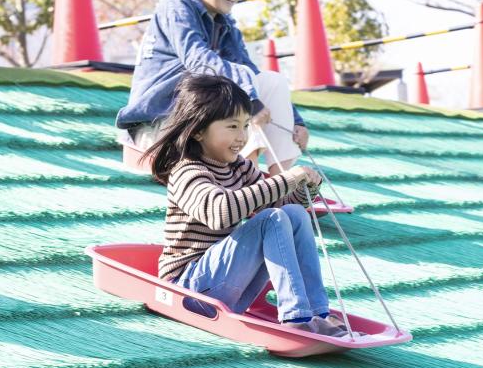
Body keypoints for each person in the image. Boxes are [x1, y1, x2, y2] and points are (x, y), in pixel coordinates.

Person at [143, 72, 347, 337]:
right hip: (188, 288)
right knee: (272, 219)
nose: (242, 137)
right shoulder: (187, 172)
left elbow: (278, 202)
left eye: (245, 126)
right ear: (198, 130)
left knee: (294, 213)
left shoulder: (240, 167)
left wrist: (304, 189)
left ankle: (317, 313)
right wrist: (285, 179)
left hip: (229, 289)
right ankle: (296, 317)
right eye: (232, 127)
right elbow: (220, 213)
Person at [117, 0, 308, 176]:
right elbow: (198, 59)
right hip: (161, 123)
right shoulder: (176, 6)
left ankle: (280, 180)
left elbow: (250, 71)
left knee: (270, 81)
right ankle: (246, 179)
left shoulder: (224, 24)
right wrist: (249, 99)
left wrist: (295, 122)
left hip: (200, 116)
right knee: (235, 87)